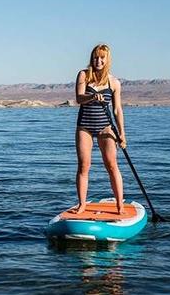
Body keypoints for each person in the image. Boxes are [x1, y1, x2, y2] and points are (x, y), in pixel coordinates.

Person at [74, 44, 126, 214]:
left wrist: (122, 134)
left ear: (107, 60)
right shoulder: (83, 75)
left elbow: (117, 109)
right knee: (84, 166)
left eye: (102, 57)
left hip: (106, 128)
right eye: (96, 57)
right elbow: (79, 98)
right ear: (92, 58)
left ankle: (120, 205)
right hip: (85, 127)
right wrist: (91, 96)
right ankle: (82, 204)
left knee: (111, 165)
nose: (99, 60)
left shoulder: (114, 82)